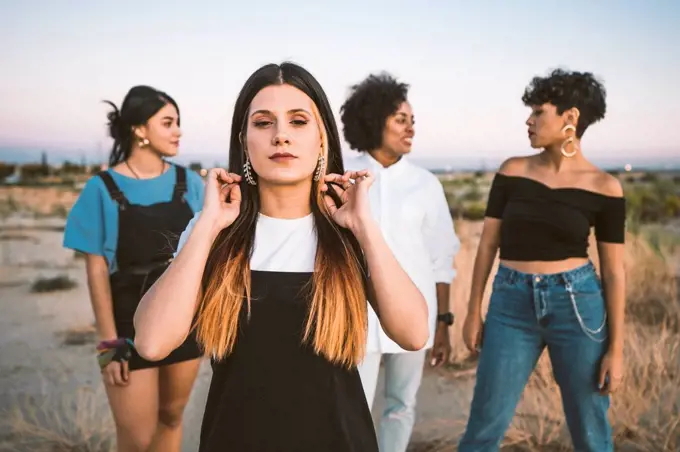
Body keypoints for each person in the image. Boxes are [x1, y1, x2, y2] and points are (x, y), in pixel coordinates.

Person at [131, 62, 430, 452]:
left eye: (299, 121)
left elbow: (413, 333)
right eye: (263, 122)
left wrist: (365, 228)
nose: (281, 136)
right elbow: (152, 342)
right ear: (244, 140)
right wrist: (206, 227)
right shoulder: (213, 233)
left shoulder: (351, 232)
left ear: (322, 139)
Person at [458, 68, 626, 452]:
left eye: (539, 112)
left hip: (579, 307)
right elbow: (487, 246)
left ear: (570, 118)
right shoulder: (512, 170)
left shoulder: (605, 187)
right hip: (510, 305)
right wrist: (473, 311)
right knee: (483, 429)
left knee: (590, 432)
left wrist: (616, 349)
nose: (529, 120)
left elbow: (615, 272)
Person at [63, 85, 205, 452]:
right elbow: (96, 273)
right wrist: (108, 346)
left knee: (172, 419)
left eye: (178, 123)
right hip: (126, 327)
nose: (178, 131)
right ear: (140, 130)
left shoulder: (189, 183)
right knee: (137, 439)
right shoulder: (101, 188)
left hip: (184, 322)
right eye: (168, 122)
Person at [340, 72, 460, 452]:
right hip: (356, 316)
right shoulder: (345, 176)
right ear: (374, 120)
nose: (410, 129)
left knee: (401, 406)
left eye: (413, 121)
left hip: (414, 314)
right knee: (351, 408)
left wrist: (442, 323)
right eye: (400, 120)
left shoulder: (426, 184)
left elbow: (441, 258)